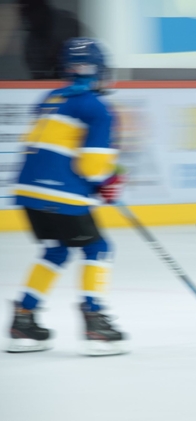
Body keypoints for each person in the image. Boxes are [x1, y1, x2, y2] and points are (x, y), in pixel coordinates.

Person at [7, 37, 127, 356]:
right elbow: (92, 166)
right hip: (60, 191)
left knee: (56, 250)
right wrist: (108, 180)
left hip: (27, 190)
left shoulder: (50, 97)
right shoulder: (98, 108)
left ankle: (24, 319)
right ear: (98, 70)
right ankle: (95, 322)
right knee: (98, 248)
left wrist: (102, 180)